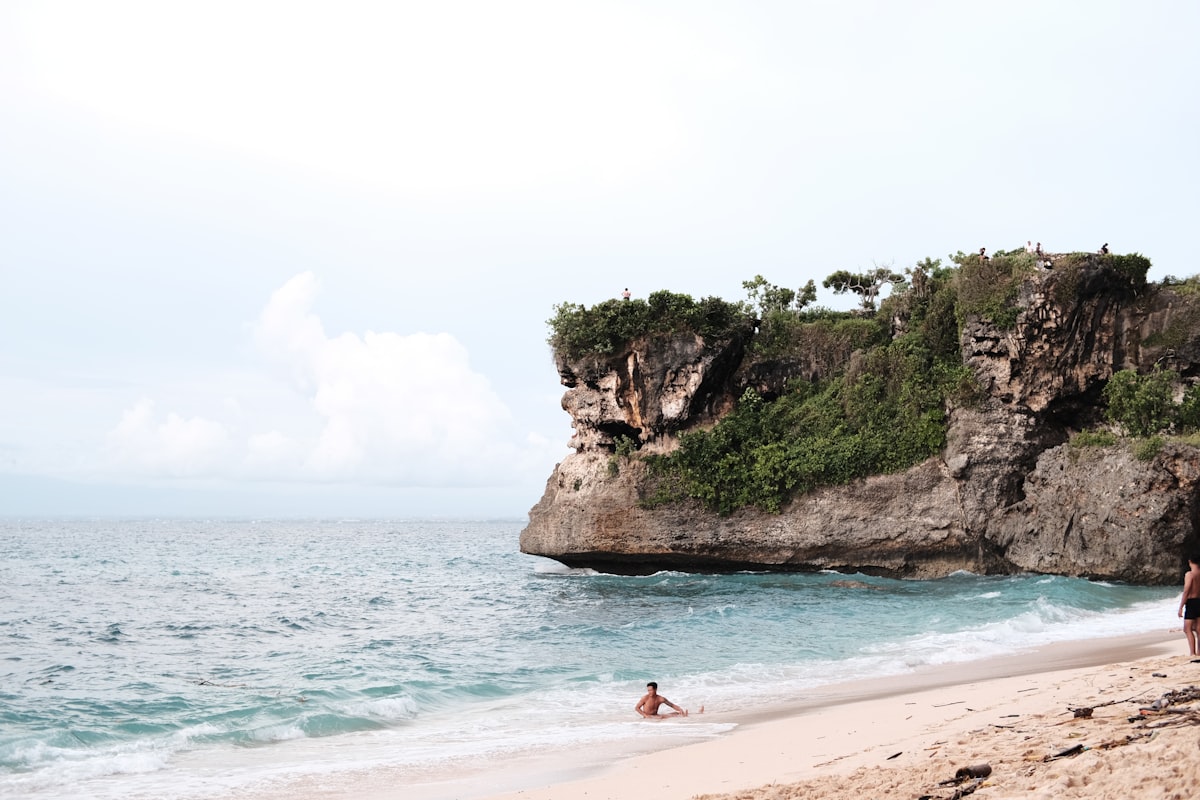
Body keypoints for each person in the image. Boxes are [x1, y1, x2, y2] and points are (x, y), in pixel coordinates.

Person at [1179, 556, 1200, 656]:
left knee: (1187, 629)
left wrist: (1181, 607)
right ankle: (1199, 652)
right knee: (1199, 628)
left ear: (1190, 561)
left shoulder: (1190, 574)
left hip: (1191, 602)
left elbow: (1186, 590)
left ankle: (1192, 652)